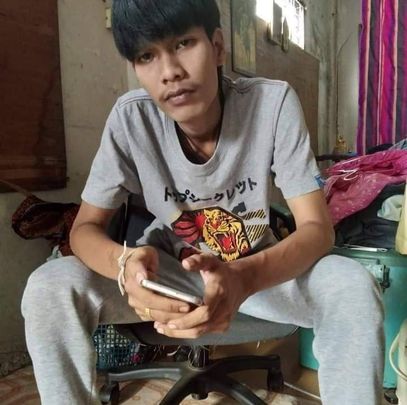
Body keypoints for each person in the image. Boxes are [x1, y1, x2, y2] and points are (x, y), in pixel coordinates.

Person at [21, 0, 384, 404]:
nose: (170, 72)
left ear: (217, 46)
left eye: (183, 43)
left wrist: (244, 278)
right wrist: (124, 265)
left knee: (351, 285)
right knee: (49, 286)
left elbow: (318, 230)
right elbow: (83, 229)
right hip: (167, 275)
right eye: (146, 56)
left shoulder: (272, 104)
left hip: (254, 276)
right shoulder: (131, 120)